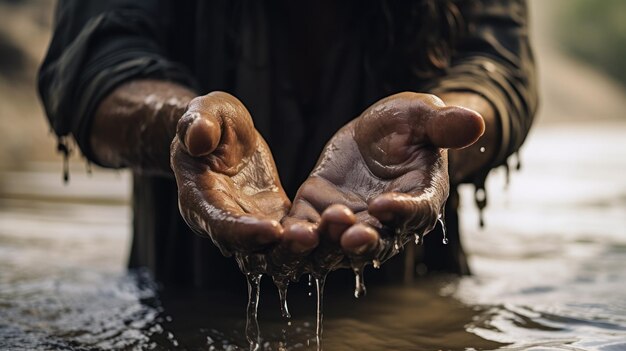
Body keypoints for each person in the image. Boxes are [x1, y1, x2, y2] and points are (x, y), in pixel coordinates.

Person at [38, 0, 537, 289]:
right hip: (185, 279)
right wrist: (185, 124)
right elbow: (95, 60)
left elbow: (499, 71)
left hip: (412, 281)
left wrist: (435, 126)